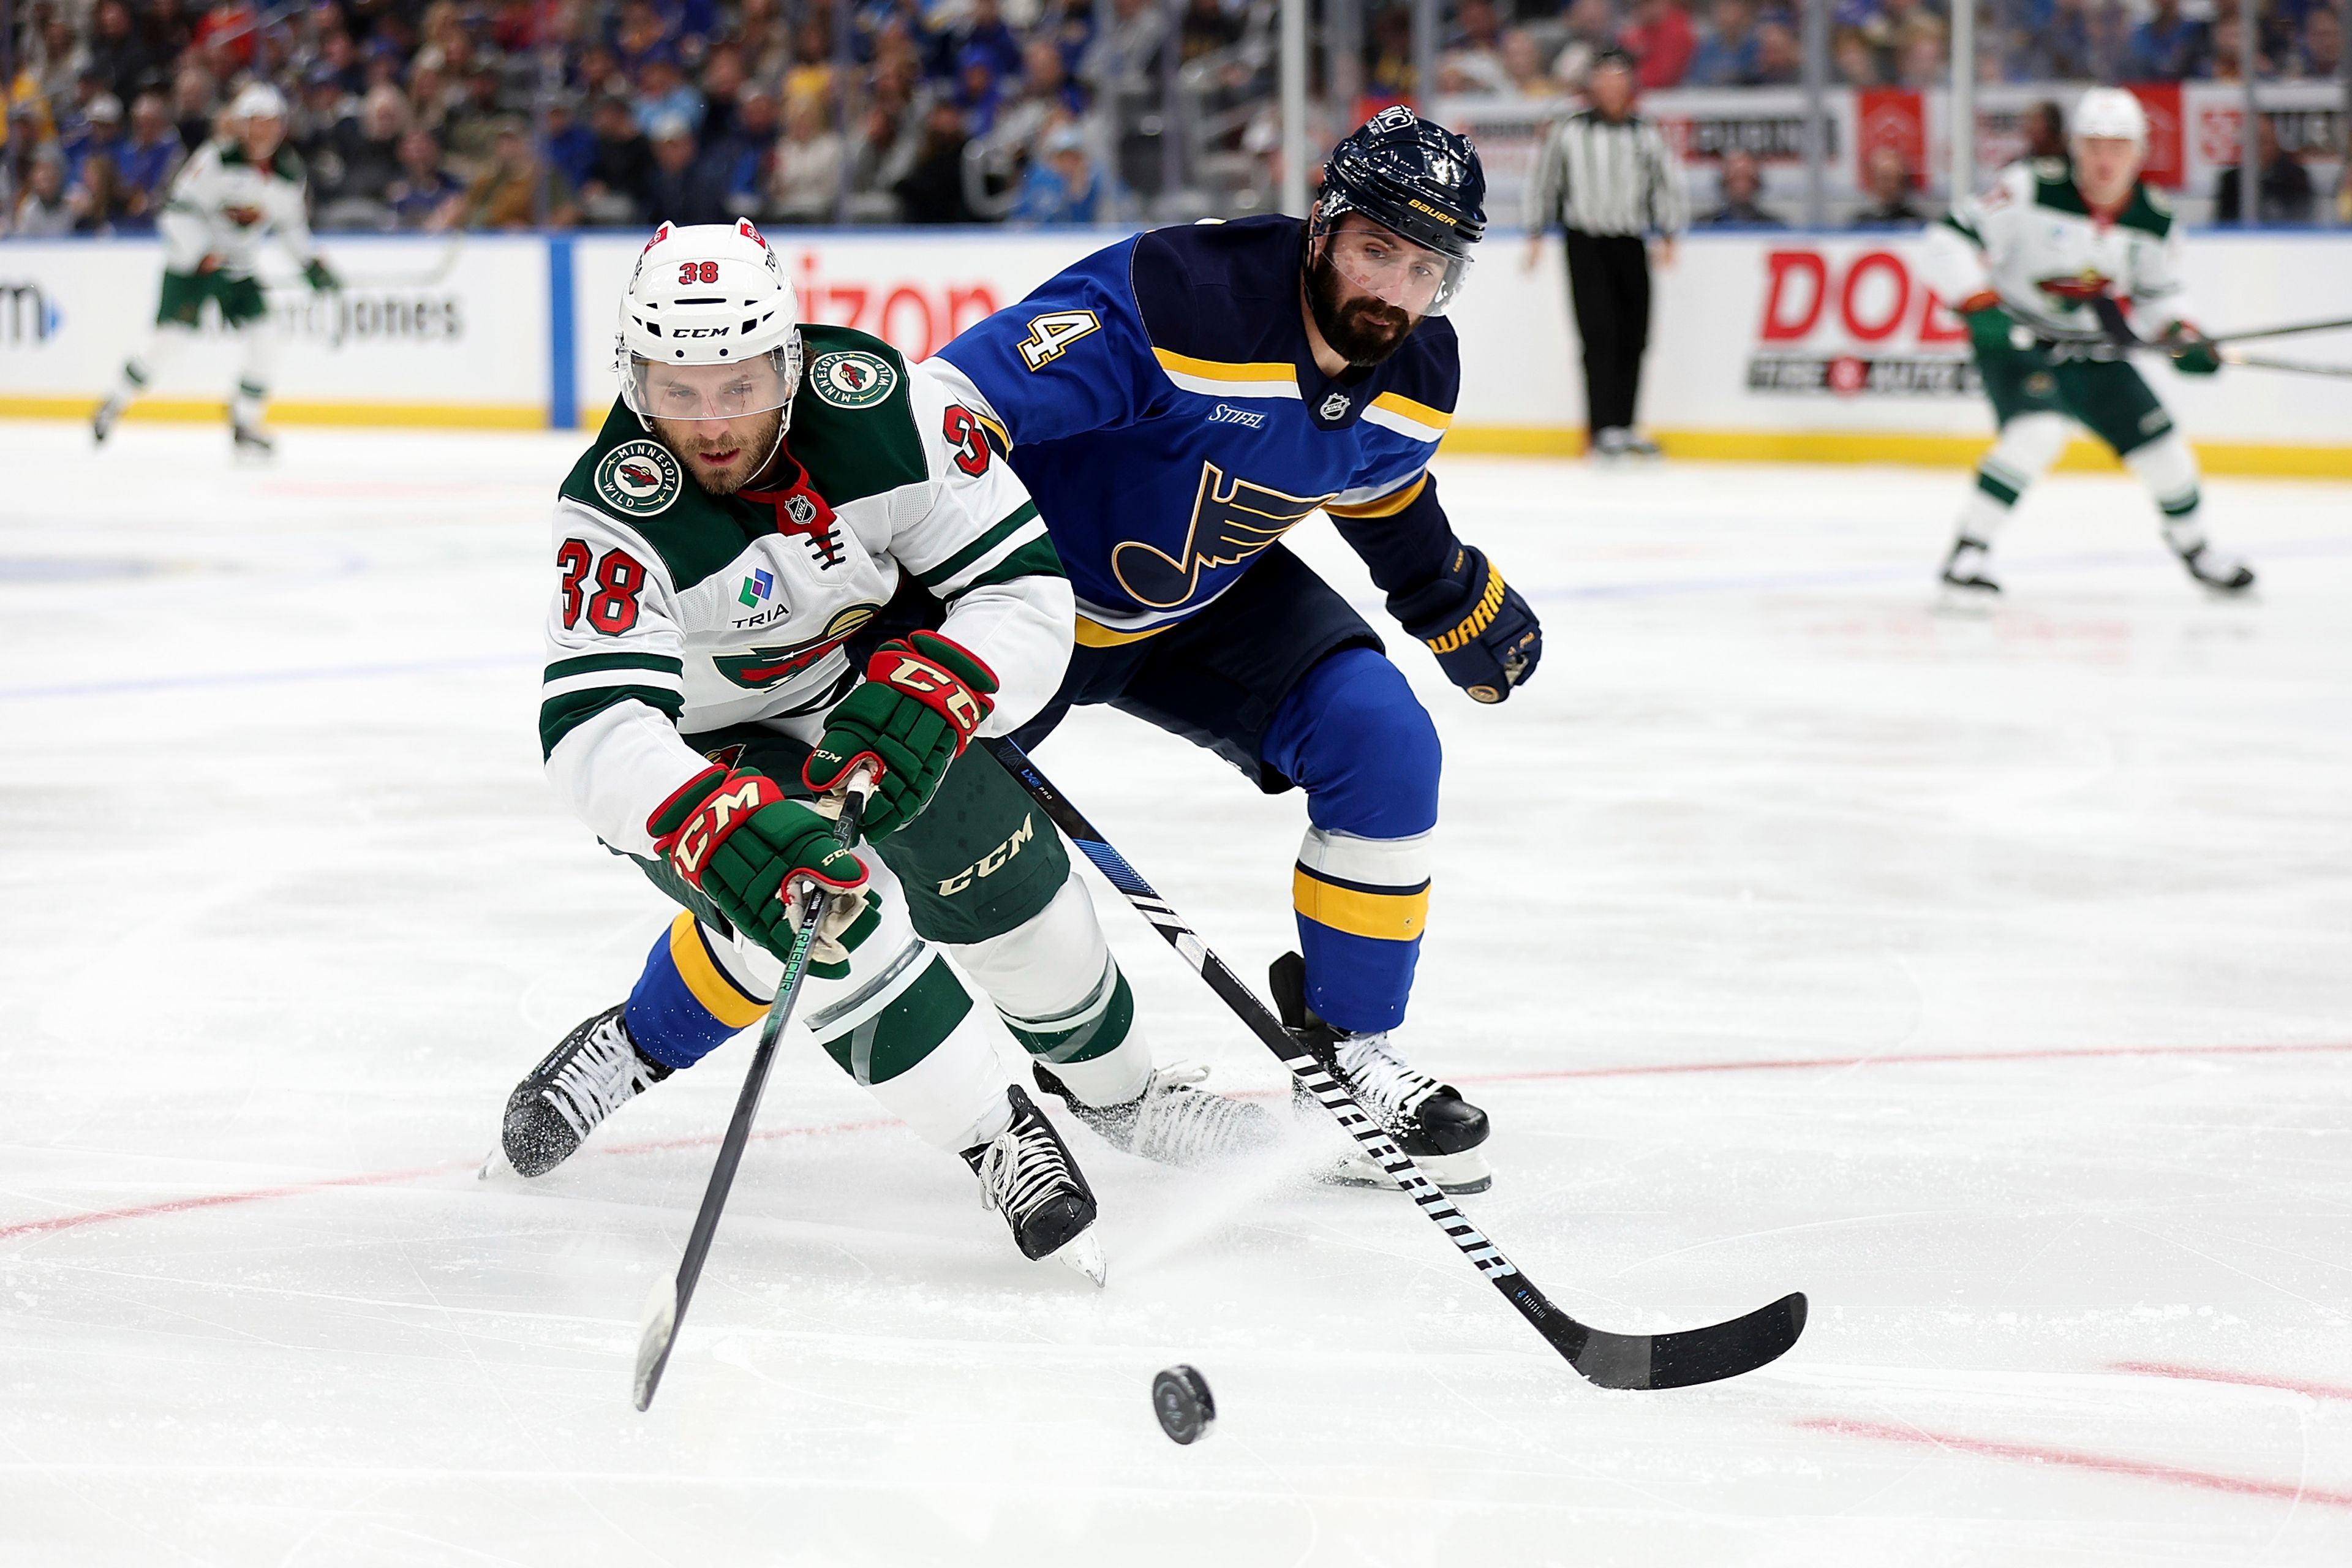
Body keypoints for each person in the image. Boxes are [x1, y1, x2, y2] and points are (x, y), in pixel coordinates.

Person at [501, 218, 1278, 1275]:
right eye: (679, 390)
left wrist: (950, 683)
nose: (713, 423)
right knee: (818, 911)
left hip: (857, 695)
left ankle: (1127, 1099)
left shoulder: (889, 409)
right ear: (637, 383)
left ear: (790, 358)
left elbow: (1023, 590)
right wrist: (705, 819)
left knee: (1015, 897)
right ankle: (998, 1136)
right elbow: (597, 729)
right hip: (699, 745)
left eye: (741, 385)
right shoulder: (615, 512)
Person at [927, 107, 1539, 1194]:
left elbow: (1378, 485)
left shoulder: (1417, 369)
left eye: (1424, 267)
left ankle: (1344, 1055)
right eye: (1375, 251)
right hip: (1024, 609)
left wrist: (1445, 590)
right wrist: (911, 578)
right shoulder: (1182, 296)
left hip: (1199, 602)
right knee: (888, 844)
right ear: (1321, 227)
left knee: (1382, 741)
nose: (1393, 290)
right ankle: (650, 1035)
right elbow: (950, 406)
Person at [1921, 88, 2253, 598]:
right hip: (2018, 341)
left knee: (2164, 450)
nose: (2105, 159)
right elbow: (1947, 241)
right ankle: (1969, 551)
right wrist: (1976, 303)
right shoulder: (2030, 188)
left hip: (2093, 349)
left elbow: (2157, 299)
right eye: (2094, 145)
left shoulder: (2154, 219)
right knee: (2039, 432)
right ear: (2074, 148)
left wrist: (2182, 336)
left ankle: (2197, 550)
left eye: (2118, 147)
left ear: (2139, 153)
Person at [90, 83, 340, 456]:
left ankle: (245, 421)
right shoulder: (215, 161)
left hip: (238, 269)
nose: (264, 131)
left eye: (271, 123)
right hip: (193, 269)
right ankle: (114, 403)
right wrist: (202, 253)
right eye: (256, 123)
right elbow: (177, 212)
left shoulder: (288, 173)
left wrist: (311, 264)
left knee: (267, 335)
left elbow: (290, 226)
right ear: (242, 126)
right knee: (169, 344)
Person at [1522, 48, 1688, 458]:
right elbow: (1545, 179)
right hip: (1586, 240)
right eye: (1604, 77)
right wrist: (1537, 231)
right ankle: (1602, 429)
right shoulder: (1570, 129)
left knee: (1635, 334)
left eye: (1619, 77)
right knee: (1598, 333)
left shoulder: (1645, 131)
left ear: (1630, 84)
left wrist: (1669, 232)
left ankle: (1626, 424)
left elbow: (1666, 182)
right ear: (1592, 84)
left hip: (1631, 240)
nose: (1611, 86)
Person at [2211, 115, 2315, 225]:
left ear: (2275, 143)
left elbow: (2303, 218)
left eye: (2264, 141)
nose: (2258, 148)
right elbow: (2222, 222)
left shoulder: (2295, 177)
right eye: (2253, 142)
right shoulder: (2232, 181)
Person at [1699, 149, 1783, 227]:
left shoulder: (1774, 227)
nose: (1741, 187)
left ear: (1757, 183)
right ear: (1724, 182)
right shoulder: (1703, 226)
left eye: (1746, 179)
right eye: (1736, 178)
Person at [1850, 143, 1927, 227]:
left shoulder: (1917, 222)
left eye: (1897, 178)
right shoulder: (1859, 222)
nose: (1891, 185)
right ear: (1872, 179)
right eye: (1885, 178)